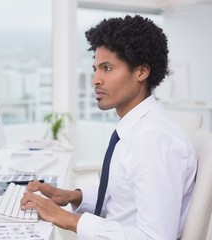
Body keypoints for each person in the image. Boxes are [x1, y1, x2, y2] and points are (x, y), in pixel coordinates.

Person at [20, 15, 197, 239]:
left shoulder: (153, 139)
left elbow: (155, 237)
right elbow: (124, 198)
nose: (95, 79)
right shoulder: (135, 128)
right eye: (95, 68)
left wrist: (68, 219)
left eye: (107, 68)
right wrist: (72, 196)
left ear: (141, 72)